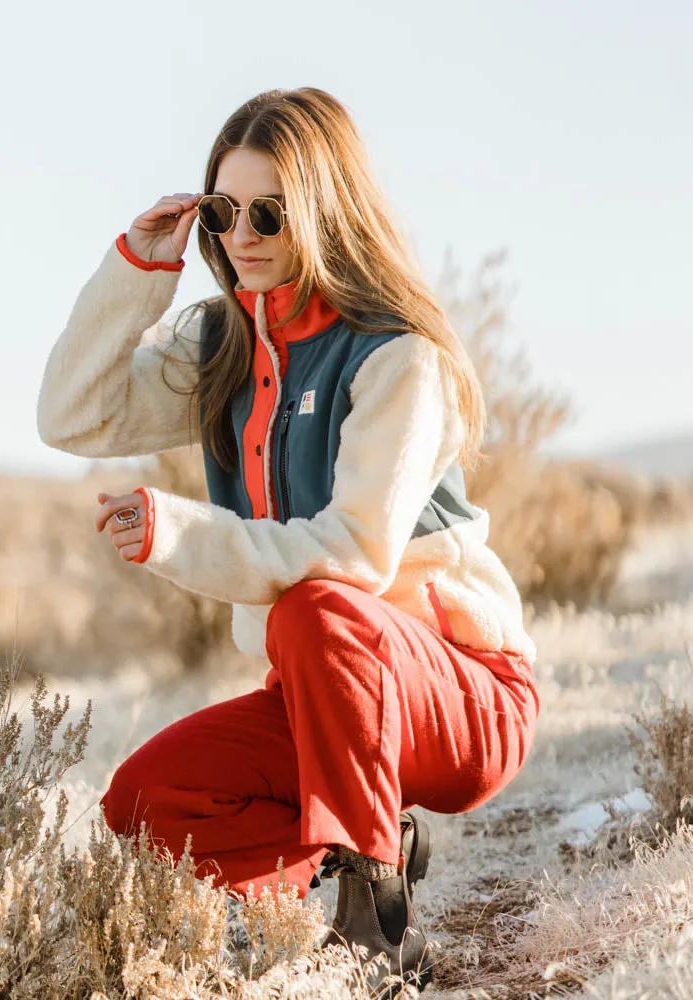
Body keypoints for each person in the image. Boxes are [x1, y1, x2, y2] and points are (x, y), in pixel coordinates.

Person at [37, 86, 540, 995]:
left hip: (463, 693)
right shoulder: (221, 348)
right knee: (144, 804)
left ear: (324, 209)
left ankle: (375, 921)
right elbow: (71, 414)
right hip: (328, 694)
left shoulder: (396, 354)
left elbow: (354, 555)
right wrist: (139, 268)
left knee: (318, 606)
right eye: (225, 212)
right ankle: (367, 823)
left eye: (269, 211)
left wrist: (181, 532)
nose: (242, 235)